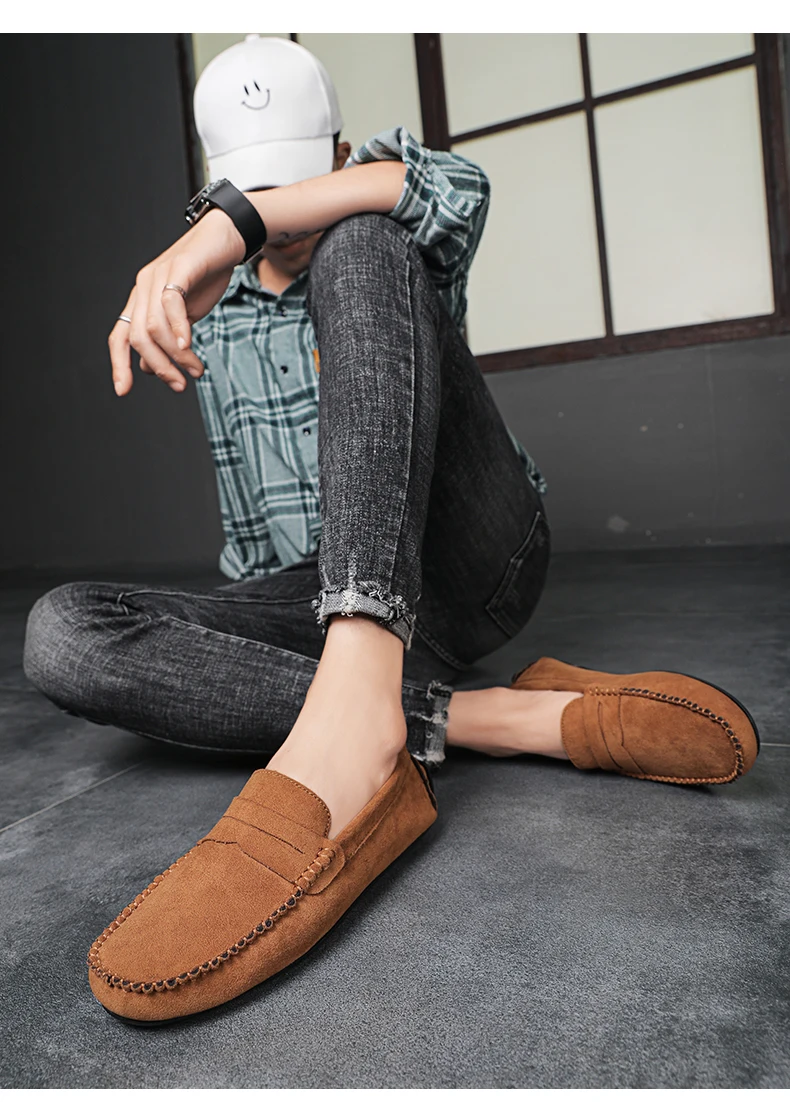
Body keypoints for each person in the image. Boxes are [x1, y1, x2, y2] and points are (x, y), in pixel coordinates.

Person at [23, 36, 759, 1025]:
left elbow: (446, 186)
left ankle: (361, 727)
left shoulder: (371, 215)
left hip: (471, 562)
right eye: (247, 187)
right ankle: (475, 718)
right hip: (319, 603)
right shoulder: (214, 315)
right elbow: (250, 521)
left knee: (360, 240)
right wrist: (219, 652)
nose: (271, 218)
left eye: (286, 185)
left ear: (336, 152)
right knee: (62, 633)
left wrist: (230, 225)